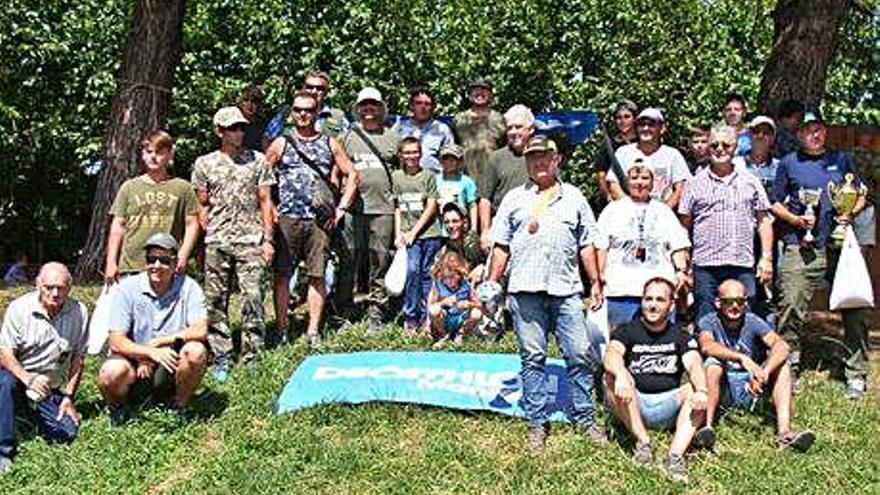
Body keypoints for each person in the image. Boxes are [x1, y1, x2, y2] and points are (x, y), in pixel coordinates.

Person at [488, 135, 607, 452]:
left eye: (545, 157)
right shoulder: (513, 199)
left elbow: (587, 243)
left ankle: (585, 418)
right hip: (524, 290)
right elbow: (500, 246)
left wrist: (595, 280)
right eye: (532, 157)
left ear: (557, 160)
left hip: (566, 289)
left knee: (579, 354)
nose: (539, 162)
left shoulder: (575, 197)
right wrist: (491, 284)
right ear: (526, 162)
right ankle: (537, 422)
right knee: (533, 357)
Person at [769, 110, 871, 399]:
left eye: (819, 130)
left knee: (855, 306)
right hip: (800, 245)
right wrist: (794, 220)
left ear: (824, 132)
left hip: (839, 245)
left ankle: (856, 373)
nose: (815, 134)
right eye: (808, 130)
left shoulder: (841, 160)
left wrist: (850, 212)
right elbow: (774, 202)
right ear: (799, 134)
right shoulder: (789, 162)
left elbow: (861, 192)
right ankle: (789, 366)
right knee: (789, 305)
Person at [265, 90, 359, 347]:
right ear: (291, 113)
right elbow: (260, 179)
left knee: (317, 275)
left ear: (317, 112)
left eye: (308, 110)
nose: (303, 114)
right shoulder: (281, 143)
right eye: (298, 110)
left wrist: (341, 208)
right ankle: (282, 329)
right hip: (287, 219)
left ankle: (313, 331)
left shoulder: (329, 142)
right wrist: (271, 208)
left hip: (319, 221)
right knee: (283, 276)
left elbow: (352, 174)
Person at [192, 106, 276, 381]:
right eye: (231, 128)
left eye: (241, 127)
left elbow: (266, 201)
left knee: (253, 297)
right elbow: (202, 203)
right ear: (219, 131)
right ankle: (221, 356)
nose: (238, 133)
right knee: (216, 300)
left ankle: (253, 355)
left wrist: (268, 239)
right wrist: (209, 233)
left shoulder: (258, 160)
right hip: (218, 240)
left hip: (251, 240)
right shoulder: (204, 163)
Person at [603, 278, 708, 483]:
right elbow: (612, 353)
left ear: (670, 305)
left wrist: (702, 390)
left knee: (696, 389)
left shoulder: (680, 335)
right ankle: (643, 443)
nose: (652, 304)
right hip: (633, 404)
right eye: (648, 298)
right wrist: (622, 374)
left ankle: (675, 456)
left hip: (668, 406)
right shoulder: (626, 330)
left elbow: (694, 363)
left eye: (660, 300)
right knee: (611, 376)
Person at [97, 234, 209, 424]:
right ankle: (117, 408)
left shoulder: (190, 287)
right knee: (110, 372)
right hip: (133, 362)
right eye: (151, 259)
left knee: (196, 351)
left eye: (164, 261)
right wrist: (148, 353)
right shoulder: (126, 288)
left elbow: (200, 330)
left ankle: (179, 406)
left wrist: (160, 342)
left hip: (170, 362)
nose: (156, 265)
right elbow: (116, 341)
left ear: (175, 263)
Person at [695, 279, 815, 452]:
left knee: (782, 367)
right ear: (718, 303)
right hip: (722, 388)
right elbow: (707, 346)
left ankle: (785, 434)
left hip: (751, 387)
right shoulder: (709, 321)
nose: (735, 306)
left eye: (741, 301)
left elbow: (782, 346)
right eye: (729, 301)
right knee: (712, 364)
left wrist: (764, 372)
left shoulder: (752, 321)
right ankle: (706, 428)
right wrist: (742, 359)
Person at [679, 126, 774, 322]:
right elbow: (683, 228)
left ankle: (743, 354)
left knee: (745, 321)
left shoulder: (751, 182)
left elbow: (764, 221)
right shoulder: (694, 184)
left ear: (735, 147)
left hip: (742, 264)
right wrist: (684, 267)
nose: (720, 149)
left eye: (726, 144)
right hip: (706, 267)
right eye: (714, 145)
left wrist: (766, 258)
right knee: (706, 321)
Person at [0, 263, 88, 472]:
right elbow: (4, 354)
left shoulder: (79, 312)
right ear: (38, 285)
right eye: (49, 287)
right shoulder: (19, 309)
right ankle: (3, 450)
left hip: (49, 387)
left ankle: (23, 415)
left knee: (66, 433)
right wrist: (28, 378)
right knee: (5, 383)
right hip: (16, 374)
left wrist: (68, 397)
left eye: (61, 287)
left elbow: (78, 358)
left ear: (70, 287)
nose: (55, 293)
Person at [595, 165, 691, 329]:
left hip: (658, 293)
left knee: (661, 343)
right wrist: (599, 278)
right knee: (621, 341)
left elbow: (678, 245)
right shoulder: (612, 210)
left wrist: (681, 271)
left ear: (652, 184)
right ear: (627, 182)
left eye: (645, 178)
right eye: (634, 178)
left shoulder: (663, 211)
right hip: (621, 291)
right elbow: (600, 246)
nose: (640, 183)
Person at [337, 87, 401, 330]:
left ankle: (377, 311)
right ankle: (345, 310)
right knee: (349, 260)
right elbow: (337, 169)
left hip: (383, 207)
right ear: (358, 109)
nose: (369, 109)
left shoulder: (392, 138)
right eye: (364, 105)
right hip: (353, 209)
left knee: (380, 260)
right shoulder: (347, 136)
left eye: (373, 104)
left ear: (381, 108)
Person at [105, 130, 199, 283]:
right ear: (142, 154)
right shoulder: (129, 187)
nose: (154, 157)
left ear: (170, 155)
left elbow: (192, 224)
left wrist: (182, 256)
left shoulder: (182, 187)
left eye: (160, 152)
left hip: (166, 264)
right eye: (149, 152)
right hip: (132, 265)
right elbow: (118, 226)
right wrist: (111, 262)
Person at [392, 137, 443, 333]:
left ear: (420, 154)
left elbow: (431, 206)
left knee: (427, 275)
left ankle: (427, 316)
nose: (412, 156)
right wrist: (399, 233)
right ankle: (411, 315)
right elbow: (397, 207)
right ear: (401, 155)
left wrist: (415, 231)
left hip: (429, 234)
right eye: (407, 153)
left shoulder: (428, 176)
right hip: (407, 236)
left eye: (415, 152)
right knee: (412, 272)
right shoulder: (397, 177)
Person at [607, 108, 692, 210]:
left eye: (651, 124)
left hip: (662, 215)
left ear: (662, 128)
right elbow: (613, 184)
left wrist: (663, 212)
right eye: (641, 124)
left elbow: (681, 188)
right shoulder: (623, 153)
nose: (645, 128)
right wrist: (630, 209)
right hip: (629, 214)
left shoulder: (672, 155)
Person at [477, 104, 535, 252]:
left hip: (533, 226)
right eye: (510, 128)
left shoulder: (543, 157)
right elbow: (485, 199)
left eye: (518, 127)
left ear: (531, 129)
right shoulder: (495, 158)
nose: (513, 132)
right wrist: (485, 232)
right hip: (502, 229)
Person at [263, 71, 349, 146]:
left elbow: (348, 143)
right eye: (310, 87)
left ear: (326, 92)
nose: (314, 91)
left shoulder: (337, 117)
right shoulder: (286, 113)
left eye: (320, 88)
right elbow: (267, 138)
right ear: (303, 88)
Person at [453, 78, 506, 180]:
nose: (480, 93)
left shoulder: (499, 119)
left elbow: (504, 149)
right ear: (469, 95)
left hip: (493, 176)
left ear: (490, 95)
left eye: (484, 89)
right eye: (475, 89)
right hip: (465, 178)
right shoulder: (459, 120)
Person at [393, 88, 455, 174]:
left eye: (427, 104)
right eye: (418, 103)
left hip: (434, 181)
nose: (423, 107)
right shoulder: (400, 128)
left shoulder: (442, 129)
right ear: (411, 106)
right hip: (406, 181)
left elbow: (450, 160)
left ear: (433, 107)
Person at [428, 250, 481, 346]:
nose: (449, 281)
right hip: (445, 319)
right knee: (434, 310)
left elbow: (479, 305)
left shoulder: (467, 285)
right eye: (445, 277)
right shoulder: (438, 285)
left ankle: (461, 334)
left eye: (452, 277)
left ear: (459, 274)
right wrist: (443, 303)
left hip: (460, 318)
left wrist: (468, 304)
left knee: (476, 313)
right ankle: (443, 335)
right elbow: (431, 305)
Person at [594, 99, 638, 201]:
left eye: (627, 117)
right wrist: (608, 197)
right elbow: (601, 174)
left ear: (634, 119)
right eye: (619, 118)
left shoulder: (643, 141)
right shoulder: (609, 145)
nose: (623, 121)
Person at [434, 202, 485, 284]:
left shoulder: (471, 243)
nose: (450, 226)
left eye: (455, 221)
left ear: (464, 223)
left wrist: (482, 268)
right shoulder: (447, 247)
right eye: (447, 222)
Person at [435, 144, 478, 231]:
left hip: (460, 229)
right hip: (439, 229)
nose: (449, 162)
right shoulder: (434, 180)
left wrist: (474, 229)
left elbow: (472, 205)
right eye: (446, 159)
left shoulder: (467, 181)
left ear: (459, 161)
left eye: (453, 159)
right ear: (441, 161)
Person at [238, 85, 266, 151]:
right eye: (246, 100)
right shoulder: (234, 124)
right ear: (241, 103)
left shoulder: (264, 125)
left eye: (254, 101)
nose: (249, 105)